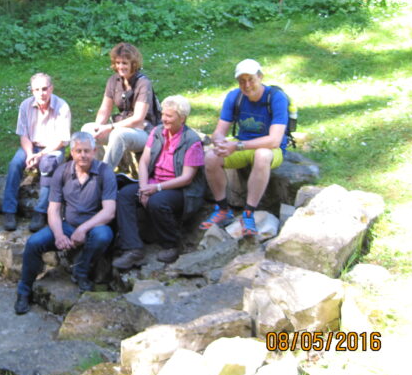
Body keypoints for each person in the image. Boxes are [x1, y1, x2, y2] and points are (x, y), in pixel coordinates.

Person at [14, 131, 117, 314]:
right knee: (33, 243)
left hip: (93, 227)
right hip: (67, 226)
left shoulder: (104, 172)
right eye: (78, 151)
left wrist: (83, 229)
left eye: (87, 151)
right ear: (72, 151)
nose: (83, 155)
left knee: (103, 235)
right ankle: (24, 291)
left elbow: (109, 212)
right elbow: (53, 209)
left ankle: (81, 271)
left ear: (94, 151)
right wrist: (59, 234)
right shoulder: (62, 171)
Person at [112, 95, 206, 270]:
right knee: (124, 195)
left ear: (182, 118)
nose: (164, 119)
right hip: (153, 183)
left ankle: (171, 245)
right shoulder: (156, 132)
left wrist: (155, 188)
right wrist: (143, 187)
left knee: (157, 201)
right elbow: (144, 162)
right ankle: (133, 248)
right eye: (163, 114)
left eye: (170, 116)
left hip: (180, 189)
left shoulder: (192, 141)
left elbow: (187, 178)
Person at [199, 59, 289, 236]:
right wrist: (220, 143)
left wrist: (237, 146)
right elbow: (219, 132)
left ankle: (249, 212)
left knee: (262, 155)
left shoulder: (276, 98)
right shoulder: (235, 97)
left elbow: (274, 140)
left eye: (251, 79)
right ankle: (223, 209)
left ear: (260, 77)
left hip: (270, 149)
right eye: (242, 81)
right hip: (243, 145)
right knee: (211, 157)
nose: (247, 85)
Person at [2, 73, 72, 232]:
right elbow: (24, 135)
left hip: (53, 148)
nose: (42, 93)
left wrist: (39, 155)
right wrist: (29, 154)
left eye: (45, 89)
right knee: (14, 164)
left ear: (51, 88)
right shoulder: (25, 105)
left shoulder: (62, 107)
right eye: (37, 89)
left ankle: (41, 212)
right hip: (31, 146)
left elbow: (61, 141)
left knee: (48, 166)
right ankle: (9, 211)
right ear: (32, 91)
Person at [82, 42, 158, 172]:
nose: (120, 67)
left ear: (133, 64)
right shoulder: (113, 81)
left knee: (118, 135)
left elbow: (138, 118)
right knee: (87, 129)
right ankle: (90, 171)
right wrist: (98, 127)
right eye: (117, 63)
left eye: (124, 63)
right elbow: (104, 109)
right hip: (121, 126)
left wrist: (110, 127)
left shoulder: (143, 83)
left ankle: (103, 175)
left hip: (144, 132)